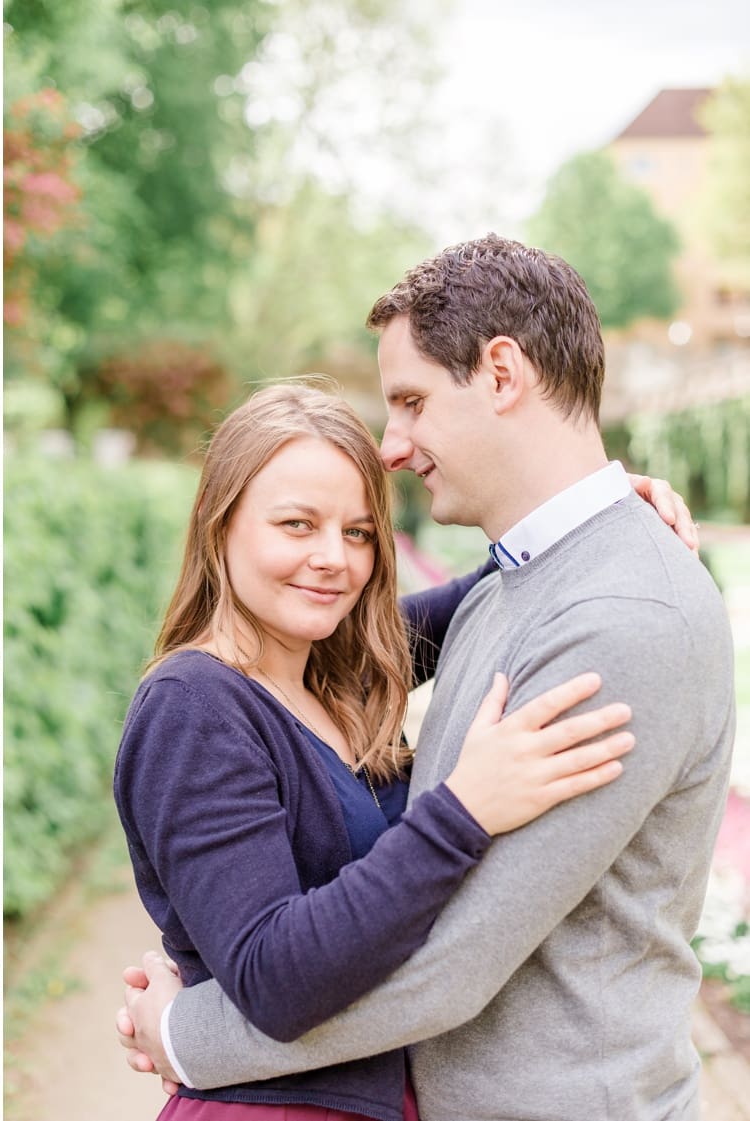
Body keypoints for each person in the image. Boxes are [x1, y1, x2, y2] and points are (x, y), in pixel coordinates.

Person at [118, 235, 734, 1121]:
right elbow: (283, 954)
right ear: (220, 528)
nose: (394, 445)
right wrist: (599, 510)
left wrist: (184, 1032)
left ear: (501, 373)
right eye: (295, 523)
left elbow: (451, 959)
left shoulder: (620, 615)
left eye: (409, 401)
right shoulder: (507, 590)